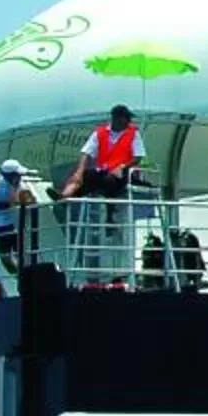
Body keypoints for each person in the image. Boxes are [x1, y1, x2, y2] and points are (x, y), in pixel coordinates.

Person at [60, 104, 142, 284]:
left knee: (110, 182)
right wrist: (79, 171)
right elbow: (86, 152)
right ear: (117, 118)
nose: (128, 122)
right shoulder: (100, 133)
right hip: (103, 170)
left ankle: (109, 215)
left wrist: (123, 166)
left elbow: (138, 156)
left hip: (121, 173)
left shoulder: (133, 134)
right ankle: (67, 195)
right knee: (88, 176)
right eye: (125, 118)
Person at [0, 159, 34, 282]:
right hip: (3, 225)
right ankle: (20, 277)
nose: (20, 177)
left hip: (19, 223)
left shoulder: (21, 184)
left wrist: (26, 198)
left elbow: (30, 200)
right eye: (18, 175)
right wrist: (17, 196)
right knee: (6, 258)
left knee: (21, 255)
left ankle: (24, 278)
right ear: (10, 175)